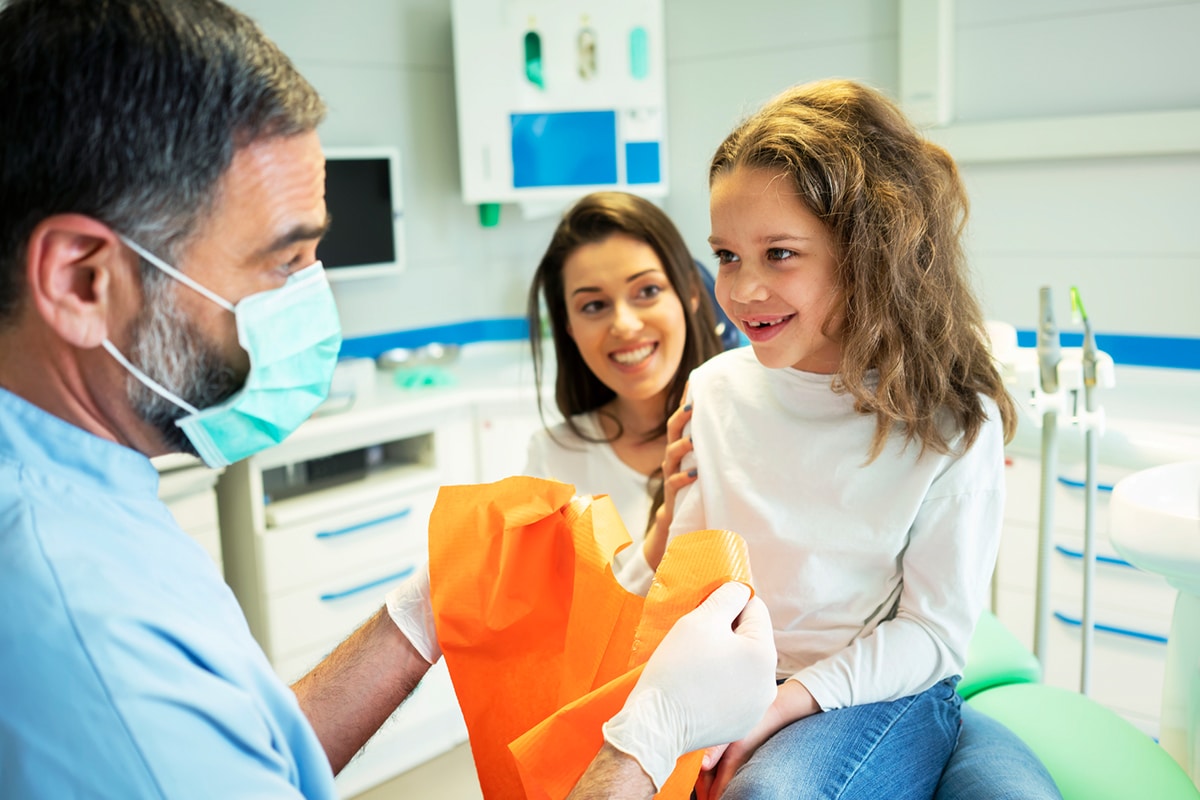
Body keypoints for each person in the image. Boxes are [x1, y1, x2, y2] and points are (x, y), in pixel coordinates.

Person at [0, 1, 777, 797]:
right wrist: (646, 740)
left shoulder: (92, 500)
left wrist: (424, 610)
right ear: (81, 281)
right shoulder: (81, 622)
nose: (316, 301)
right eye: (282, 262)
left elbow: (254, 756)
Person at [523, 175, 1061, 799]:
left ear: (864, 253)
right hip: (753, 679)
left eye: (779, 253)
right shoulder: (707, 396)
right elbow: (623, 617)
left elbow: (931, 633)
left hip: (873, 686)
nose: (743, 289)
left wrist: (773, 708)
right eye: (726, 255)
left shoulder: (946, 418)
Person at [524, 191, 723, 581]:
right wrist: (656, 545)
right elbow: (552, 616)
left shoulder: (748, 429)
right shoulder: (554, 461)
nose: (625, 325)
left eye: (647, 291)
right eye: (594, 305)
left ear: (690, 293)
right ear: (569, 327)